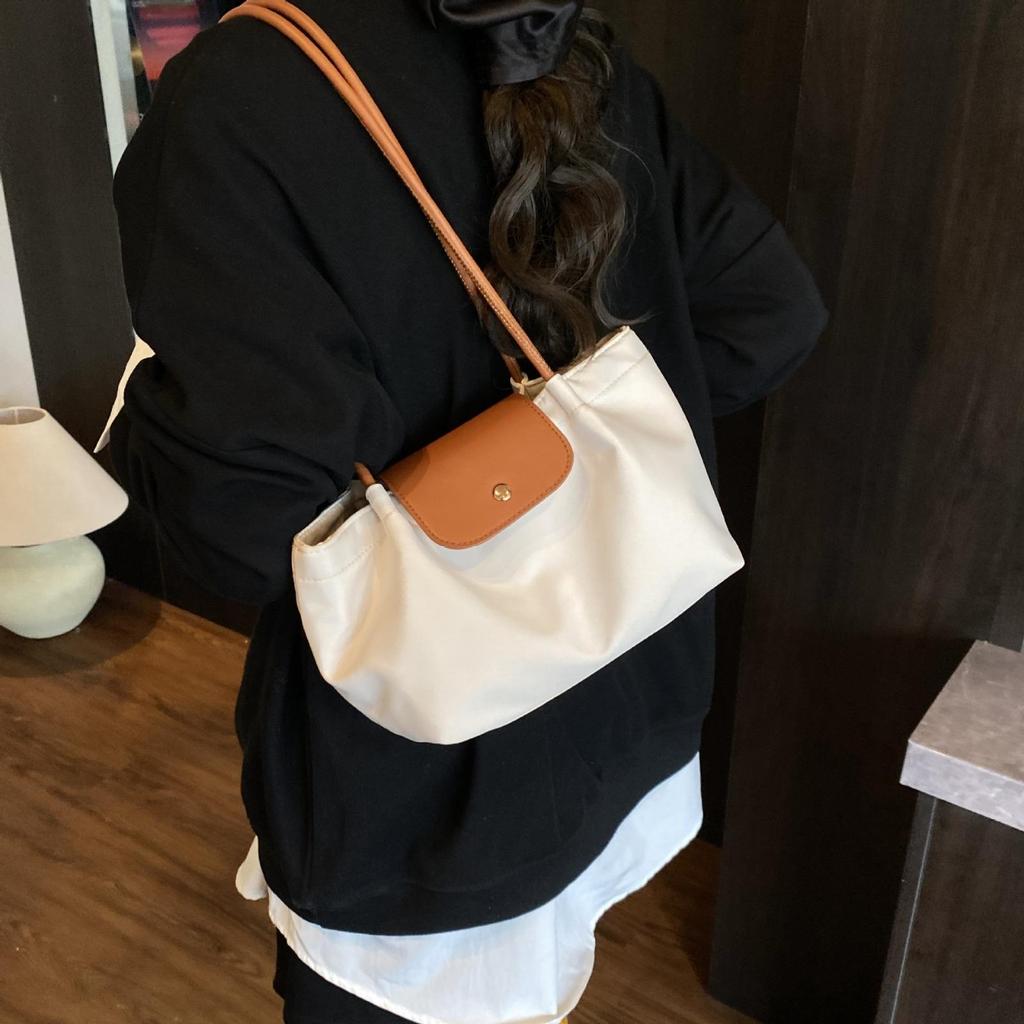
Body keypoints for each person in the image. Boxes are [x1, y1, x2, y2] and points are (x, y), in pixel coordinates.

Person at [104, 1, 829, 1021]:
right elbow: (770, 313)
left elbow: (240, 534)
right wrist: (589, 458)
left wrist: (146, 402)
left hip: (419, 792)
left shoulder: (236, 95)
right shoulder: (559, 29)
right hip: (629, 696)